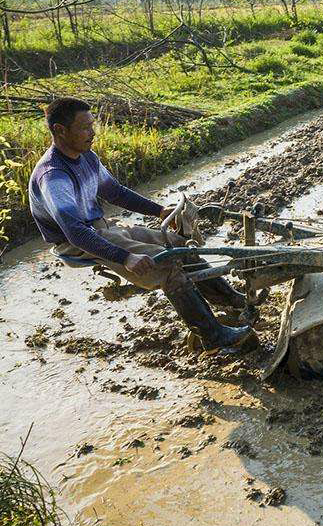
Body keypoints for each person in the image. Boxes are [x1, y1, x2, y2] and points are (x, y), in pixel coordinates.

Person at [28, 97, 252, 352]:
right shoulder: (53, 175)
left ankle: (233, 301)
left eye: (93, 125)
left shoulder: (86, 157)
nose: (92, 133)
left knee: (180, 245)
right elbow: (75, 231)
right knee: (166, 262)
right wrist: (125, 257)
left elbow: (116, 193)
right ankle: (213, 337)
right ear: (60, 130)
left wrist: (160, 211)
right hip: (76, 241)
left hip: (101, 226)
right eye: (84, 128)